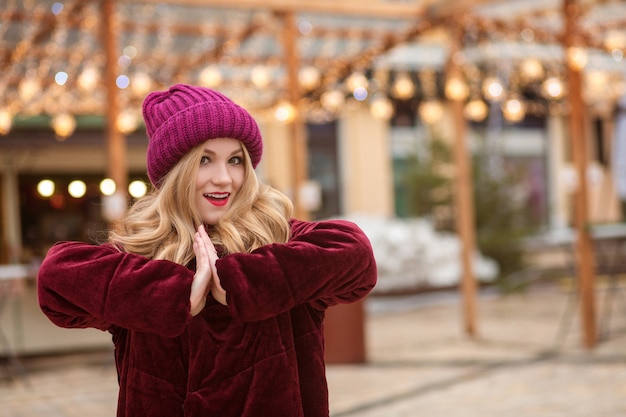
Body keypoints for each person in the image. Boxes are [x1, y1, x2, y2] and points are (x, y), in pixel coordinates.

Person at [37, 84, 377, 417]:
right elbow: (55, 279)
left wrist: (244, 282)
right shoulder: (142, 255)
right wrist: (174, 293)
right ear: (175, 171)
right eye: (204, 160)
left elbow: (356, 254)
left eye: (234, 160)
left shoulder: (278, 236)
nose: (224, 178)